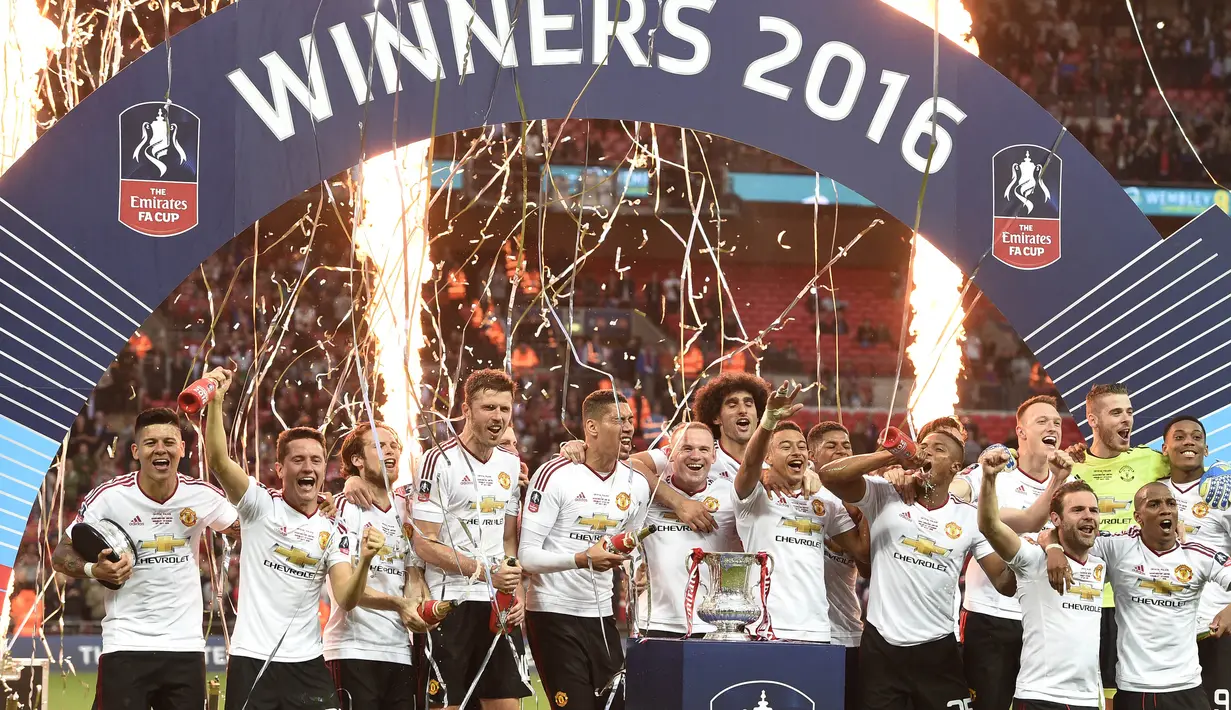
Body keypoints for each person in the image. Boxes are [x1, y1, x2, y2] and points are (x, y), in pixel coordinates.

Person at [202, 367, 384, 710]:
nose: (308, 467)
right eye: (297, 460)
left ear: (324, 470)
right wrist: (216, 401)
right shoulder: (259, 506)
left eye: (316, 460)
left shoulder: (334, 528)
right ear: (280, 469)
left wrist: (366, 561)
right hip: (253, 659)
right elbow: (218, 460)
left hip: (307, 663)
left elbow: (345, 597)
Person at [51, 407, 239, 710]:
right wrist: (94, 569)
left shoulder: (203, 496)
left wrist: (307, 506)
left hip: (185, 647)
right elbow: (60, 555)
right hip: (125, 644)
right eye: (151, 443)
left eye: (168, 441)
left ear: (182, 449)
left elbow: (252, 528)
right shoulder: (109, 497)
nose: (160, 449)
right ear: (136, 451)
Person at [818, 426, 1016, 710]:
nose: (926, 451)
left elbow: (1003, 581)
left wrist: (1030, 558)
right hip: (882, 648)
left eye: (938, 449)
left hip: (938, 650)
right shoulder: (884, 493)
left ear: (955, 467)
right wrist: (890, 455)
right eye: (923, 445)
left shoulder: (970, 518)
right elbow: (829, 475)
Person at [1044, 482, 1231, 710]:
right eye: (1154, 504)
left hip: (1187, 686)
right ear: (1138, 517)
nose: (1165, 509)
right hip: (1135, 688)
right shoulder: (1118, 547)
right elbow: (1058, 533)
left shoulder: (1196, 552)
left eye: (1170, 503)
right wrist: (1053, 549)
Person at [519, 390, 651, 710]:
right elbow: (527, 556)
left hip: (602, 616)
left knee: (615, 706)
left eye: (630, 419)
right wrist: (580, 559)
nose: (628, 427)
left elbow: (630, 543)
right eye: (618, 420)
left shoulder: (637, 485)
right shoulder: (556, 475)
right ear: (591, 428)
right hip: (553, 613)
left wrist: (636, 567)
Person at [412, 370, 531, 710]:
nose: (498, 417)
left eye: (505, 409)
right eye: (489, 408)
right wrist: (484, 573)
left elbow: (509, 539)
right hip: (452, 602)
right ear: (467, 410)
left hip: (498, 605)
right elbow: (424, 542)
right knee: (449, 705)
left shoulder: (510, 462)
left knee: (506, 704)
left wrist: (514, 591)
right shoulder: (439, 460)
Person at [958, 395, 1075, 710]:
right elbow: (957, 494)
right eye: (1042, 421)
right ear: (1021, 432)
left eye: (1056, 423)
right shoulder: (990, 474)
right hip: (992, 616)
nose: (1052, 427)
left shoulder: (1072, 482)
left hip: (1045, 620)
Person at [734, 383, 866, 642]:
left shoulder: (825, 499)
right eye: (785, 446)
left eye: (800, 446)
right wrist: (769, 421)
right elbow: (750, 464)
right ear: (768, 457)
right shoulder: (754, 494)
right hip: (766, 627)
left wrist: (874, 499)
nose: (796, 451)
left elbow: (861, 550)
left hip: (818, 630)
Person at [977, 448, 1104, 710]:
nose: (1088, 515)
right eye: (1078, 510)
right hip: (1040, 697)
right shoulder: (1033, 560)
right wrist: (989, 479)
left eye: (1093, 510)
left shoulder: (1101, 563)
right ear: (1055, 519)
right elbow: (990, 526)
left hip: (1088, 699)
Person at [1073, 383, 1169, 707]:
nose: (1126, 418)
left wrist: (1219, 470)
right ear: (1093, 419)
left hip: (1134, 599)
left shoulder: (1151, 462)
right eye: (1116, 412)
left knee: (1126, 695)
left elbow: (1192, 462)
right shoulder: (1070, 469)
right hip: (1082, 598)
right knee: (1082, 694)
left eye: (1129, 411)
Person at [324, 421, 431, 710]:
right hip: (353, 648)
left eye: (394, 445)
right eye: (379, 445)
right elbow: (343, 590)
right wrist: (399, 604)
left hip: (399, 651)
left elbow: (413, 570)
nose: (391, 450)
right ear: (357, 460)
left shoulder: (409, 508)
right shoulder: (343, 508)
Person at [633, 423, 739, 637]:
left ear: (714, 456)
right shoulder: (648, 492)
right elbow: (624, 463)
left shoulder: (731, 495)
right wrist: (679, 503)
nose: (696, 456)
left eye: (703, 449)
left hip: (715, 624)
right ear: (670, 454)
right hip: (655, 622)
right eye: (687, 448)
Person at [1157, 415, 1231, 708]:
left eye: (1196, 437)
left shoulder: (1224, 492)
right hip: (1164, 632)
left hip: (1216, 626)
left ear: (1207, 449)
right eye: (1179, 437)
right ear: (1164, 448)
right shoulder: (1152, 493)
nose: (1189, 442)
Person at [806, 421, 869, 710]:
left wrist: (868, 513)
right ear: (811, 455)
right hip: (802, 632)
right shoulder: (799, 488)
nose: (840, 450)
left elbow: (867, 568)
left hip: (848, 631)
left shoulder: (865, 497)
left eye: (846, 446)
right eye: (830, 446)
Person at [691, 372, 770, 482]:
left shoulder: (773, 463)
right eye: (732, 405)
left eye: (748, 404)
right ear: (716, 418)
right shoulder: (700, 455)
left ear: (758, 416)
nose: (743, 410)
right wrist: (681, 500)